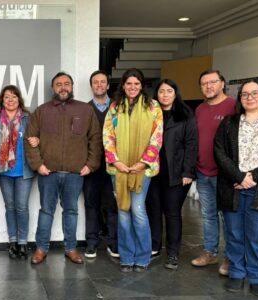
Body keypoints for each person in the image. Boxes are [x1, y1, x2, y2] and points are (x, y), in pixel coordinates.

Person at [214, 78, 258, 296]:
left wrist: (253, 177)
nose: (250, 97)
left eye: (255, 93)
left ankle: (256, 276)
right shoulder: (229, 123)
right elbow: (219, 152)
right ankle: (237, 273)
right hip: (233, 186)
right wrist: (239, 176)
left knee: (257, 235)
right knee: (234, 233)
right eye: (245, 94)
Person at [25, 72, 101, 265]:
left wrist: (90, 165)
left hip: (75, 173)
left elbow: (95, 140)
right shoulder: (41, 111)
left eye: (67, 83)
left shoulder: (85, 110)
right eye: (59, 84)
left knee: (71, 211)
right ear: (53, 88)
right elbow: (29, 140)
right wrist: (38, 165)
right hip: (47, 172)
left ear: (72, 86)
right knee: (46, 211)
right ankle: (41, 248)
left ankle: (71, 248)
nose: (63, 87)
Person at [103, 68, 162, 272]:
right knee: (122, 211)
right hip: (118, 169)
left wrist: (143, 162)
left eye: (136, 84)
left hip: (142, 169)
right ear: (123, 86)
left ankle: (143, 256)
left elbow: (157, 137)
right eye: (129, 83)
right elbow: (108, 135)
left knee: (137, 210)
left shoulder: (153, 107)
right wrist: (116, 161)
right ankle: (127, 256)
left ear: (142, 86)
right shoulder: (115, 107)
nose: (133, 87)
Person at [146, 79, 197, 270]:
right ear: (156, 94)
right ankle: (154, 246)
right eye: (161, 91)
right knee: (154, 211)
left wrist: (188, 171)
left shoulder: (185, 114)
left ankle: (173, 253)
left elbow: (192, 144)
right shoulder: (150, 113)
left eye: (169, 91)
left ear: (175, 94)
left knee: (172, 212)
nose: (165, 95)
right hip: (153, 171)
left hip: (176, 173)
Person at [191, 69, 236, 276]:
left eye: (213, 82)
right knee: (208, 214)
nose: (208, 86)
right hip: (203, 171)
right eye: (204, 83)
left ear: (222, 83)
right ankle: (210, 252)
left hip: (225, 174)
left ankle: (230, 257)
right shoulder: (199, 109)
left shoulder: (233, 106)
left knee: (227, 216)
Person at [0, 85, 35, 259]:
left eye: (14, 97)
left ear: (19, 100)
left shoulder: (28, 118)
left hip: (24, 170)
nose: (10, 100)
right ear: (2, 100)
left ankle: (23, 243)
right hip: (4, 170)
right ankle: (12, 241)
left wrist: (37, 139)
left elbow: (38, 136)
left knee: (22, 207)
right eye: (7, 97)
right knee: (10, 207)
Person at [83, 70, 119, 259]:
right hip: (92, 166)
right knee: (91, 204)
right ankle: (91, 243)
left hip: (115, 166)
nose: (99, 85)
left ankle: (114, 243)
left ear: (107, 85)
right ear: (91, 86)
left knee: (113, 205)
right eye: (95, 82)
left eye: (102, 82)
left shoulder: (118, 107)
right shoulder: (85, 109)